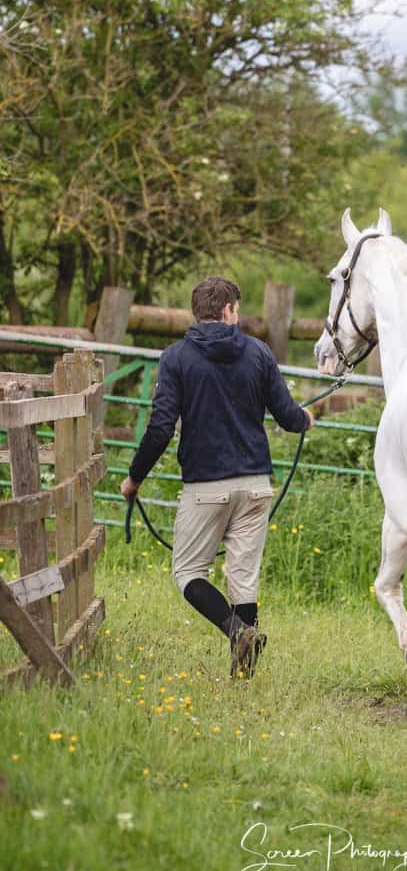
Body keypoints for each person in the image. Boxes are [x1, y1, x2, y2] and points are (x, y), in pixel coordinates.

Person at [120, 275, 313, 677]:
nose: (237, 316)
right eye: (237, 310)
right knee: (243, 579)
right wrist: (306, 418)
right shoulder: (259, 353)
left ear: (199, 312)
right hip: (255, 486)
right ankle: (243, 675)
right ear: (227, 311)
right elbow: (288, 417)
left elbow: (159, 428)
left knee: (188, 573)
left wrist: (135, 478)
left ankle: (235, 632)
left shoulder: (176, 358)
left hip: (205, 487)